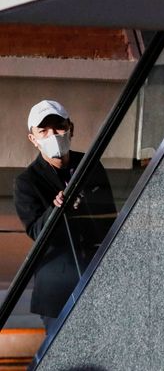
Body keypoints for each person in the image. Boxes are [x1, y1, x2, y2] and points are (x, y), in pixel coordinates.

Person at [13, 100, 116, 333]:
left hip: (97, 282)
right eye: (44, 131)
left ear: (71, 128)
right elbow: (37, 232)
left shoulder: (90, 165)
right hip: (57, 290)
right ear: (33, 139)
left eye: (58, 127)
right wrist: (59, 209)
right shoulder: (27, 182)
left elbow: (109, 219)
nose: (53, 135)